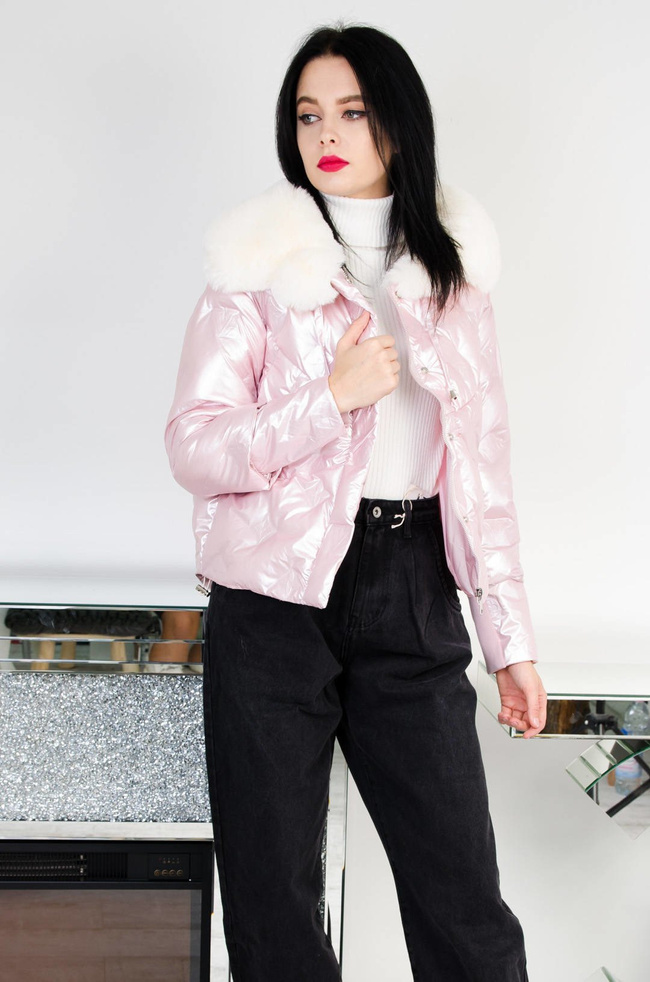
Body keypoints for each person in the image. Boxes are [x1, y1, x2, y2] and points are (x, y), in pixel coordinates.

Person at [165, 21, 547, 982]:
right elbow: (195, 447)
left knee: (465, 909)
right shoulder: (254, 272)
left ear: (399, 124)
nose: (326, 134)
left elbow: (483, 475)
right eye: (308, 115)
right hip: (272, 604)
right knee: (273, 914)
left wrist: (511, 641)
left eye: (353, 111)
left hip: (413, 590)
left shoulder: (454, 280)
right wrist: (327, 400)